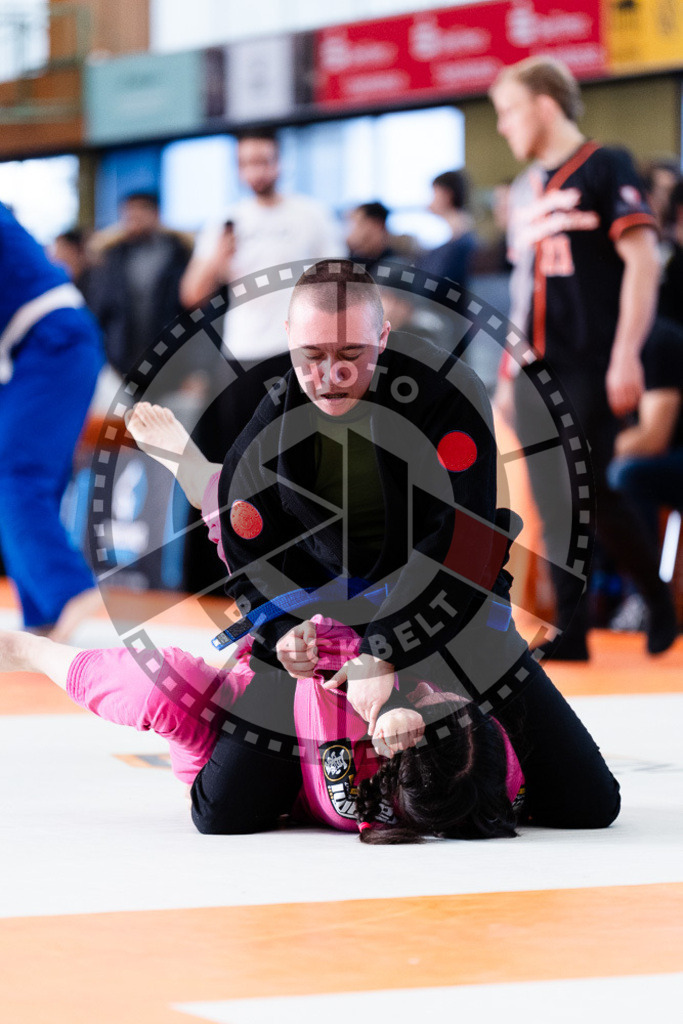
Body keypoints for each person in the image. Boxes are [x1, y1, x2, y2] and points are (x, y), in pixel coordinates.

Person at [142, 259, 620, 835]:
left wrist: (385, 648)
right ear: (288, 341)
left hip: (451, 616)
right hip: (327, 618)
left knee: (589, 805)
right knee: (222, 815)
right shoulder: (272, 418)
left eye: (351, 356)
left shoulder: (444, 393)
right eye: (312, 357)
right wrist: (281, 632)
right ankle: (204, 482)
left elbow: (466, 546)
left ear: (383, 339)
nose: (330, 376)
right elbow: (251, 561)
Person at [489, 56, 678, 660]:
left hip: (590, 360)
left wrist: (628, 353)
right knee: (560, 497)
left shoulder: (606, 164)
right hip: (532, 367)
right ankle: (586, 627)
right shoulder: (525, 189)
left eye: (508, 110)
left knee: (583, 491)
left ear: (545, 103)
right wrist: (505, 371)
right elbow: (521, 290)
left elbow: (644, 262)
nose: (502, 127)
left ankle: (625, 612)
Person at [179, 130, 341, 456]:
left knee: (301, 456)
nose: (256, 172)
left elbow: (340, 287)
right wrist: (218, 259)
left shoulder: (311, 215)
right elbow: (191, 294)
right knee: (243, 458)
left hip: (297, 352)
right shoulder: (225, 221)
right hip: (241, 354)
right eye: (246, 163)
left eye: (263, 161)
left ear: (279, 163)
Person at [0, 202, 104, 640]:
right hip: (36, 351)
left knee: (13, 472)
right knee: (23, 480)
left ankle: (69, 594)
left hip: (52, 341)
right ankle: (45, 612)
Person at [88, 192, 193, 383]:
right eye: (129, 214)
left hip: (168, 363)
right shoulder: (113, 257)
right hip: (121, 363)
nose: (133, 219)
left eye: (140, 212)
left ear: (155, 214)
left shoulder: (178, 254)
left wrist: (194, 367)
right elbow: (99, 310)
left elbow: (191, 314)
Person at [417, 170, 478, 290]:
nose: (430, 202)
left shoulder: (462, 244)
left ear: (446, 195)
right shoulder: (457, 240)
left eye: (434, 193)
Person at [346, 201, 402, 279]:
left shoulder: (394, 268)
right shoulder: (355, 260)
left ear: (376, 225)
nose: (351, 230)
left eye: (357, 224)